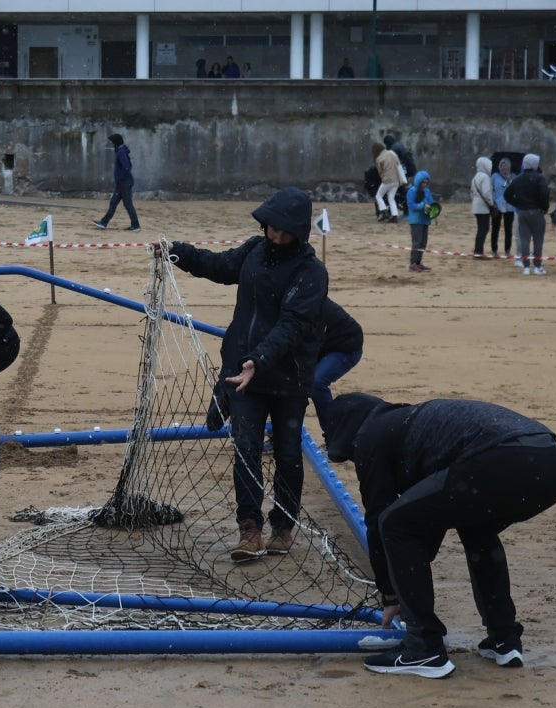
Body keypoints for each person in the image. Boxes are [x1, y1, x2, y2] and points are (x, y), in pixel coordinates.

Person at [323, 392, 556, 678]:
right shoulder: (409, 425)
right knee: (477, 528)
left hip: (501, 457)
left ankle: (423, 647)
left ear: (345, 431)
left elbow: (380, 518)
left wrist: (390, 593)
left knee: (395, 523)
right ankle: (504, 638)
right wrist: (407, 569)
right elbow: (431, 517)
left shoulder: (370, 435)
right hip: (550, 462)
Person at [164, 187, 327, 560]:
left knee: (287, 454)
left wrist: (260, 358)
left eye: (282, 230)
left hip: (288, 377)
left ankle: (283, 527)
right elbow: (220, 267)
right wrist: (180, 253)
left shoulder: (311, 272)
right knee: (246, 450)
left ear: (299, 232)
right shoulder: (254, 250)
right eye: (270, 226)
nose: (274, 235)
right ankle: (249, 529)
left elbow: (293, 324)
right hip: (243, 375)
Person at [311, 299, 365, 436]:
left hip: (345, 347)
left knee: (316, 383)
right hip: (321, 346)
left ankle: (333, 436)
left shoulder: (308, 299)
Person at [505, 153, 550, 275]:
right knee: (538, 240)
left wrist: (518, 204)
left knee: (524, 239)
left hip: (523, 212)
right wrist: (544, 207)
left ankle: (526, 267)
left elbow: (507, 194)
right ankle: (537, 266)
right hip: (536, 211)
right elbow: (544, 194)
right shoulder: (539, 178)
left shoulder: (518, 178)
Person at [92, 133, 140, 232]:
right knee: (113, 202)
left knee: (128, 204)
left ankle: (135, 225)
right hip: (121, 183)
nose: (111, 144)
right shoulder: (120, 151)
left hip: (124, 183)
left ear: (116, 143)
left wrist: (120, 178)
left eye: (112, 142)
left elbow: (127, 167)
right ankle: (104, 222)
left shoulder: (121, 152)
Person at [405, 170, 436, 272]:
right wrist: (422, 206)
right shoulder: (412, 191)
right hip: (416, 221)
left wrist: (434, 209)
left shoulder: (427, 191)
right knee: (417, 242)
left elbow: (431, 202)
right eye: (423, 182)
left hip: (425, 220)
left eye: (426, 182)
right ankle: (413, 263)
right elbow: (411, 205)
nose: (425, 184)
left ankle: (418, 262)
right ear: (418, 181)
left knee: (423, 242)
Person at [489, 157, 516, 259]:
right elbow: (491, 189)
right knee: (495, 228)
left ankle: (507, 250)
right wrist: (492, 202)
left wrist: (510, 180)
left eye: (506, 165)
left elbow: (516, 189)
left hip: (509, 206)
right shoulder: (495, 176)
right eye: (502, 165)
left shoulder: (513, 176)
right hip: (497, 205)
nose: (504, 167)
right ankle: (494, 250)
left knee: (508, 229)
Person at [470, 156, 495, 258]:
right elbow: (486, 193)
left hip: (476, 205)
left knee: (480, 228)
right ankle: (479, 251)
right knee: (484, 229)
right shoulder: (485, 177)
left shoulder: (475, 177)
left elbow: (471, 193)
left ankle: (478, 250)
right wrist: (492, 204)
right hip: (483, 207)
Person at [373, 141, 403, 223]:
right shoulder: (392, 154)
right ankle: (394, 216)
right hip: (396, 180)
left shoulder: (379, 159)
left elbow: (380, 172)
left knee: (378, 196)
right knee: (391, 198)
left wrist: (383, 178)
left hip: (387, 180)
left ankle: (384, 211)